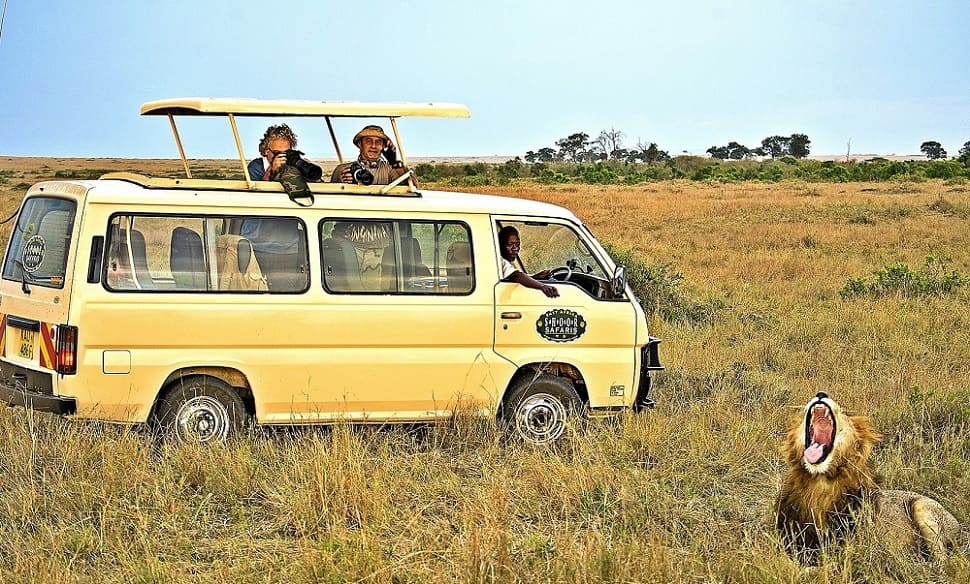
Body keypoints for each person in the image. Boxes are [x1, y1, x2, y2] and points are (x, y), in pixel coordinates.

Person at [331, 125, 411, 185]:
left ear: (383, 146)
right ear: (360, 144)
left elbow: (414, 187)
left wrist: (393, 162)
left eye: (378, 142)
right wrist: (341, 184)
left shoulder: (390, 170)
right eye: (368, 141)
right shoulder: (343, 170)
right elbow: (330, 199)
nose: (373, 146)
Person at [498, 225, 559, 298]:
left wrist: (535, 277)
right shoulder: (500, 261)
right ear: (500, 245)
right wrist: (543, 286)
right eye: (510, 244)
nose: (515, 248)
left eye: (517, 244)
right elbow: (516, 275)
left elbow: (511, 277)